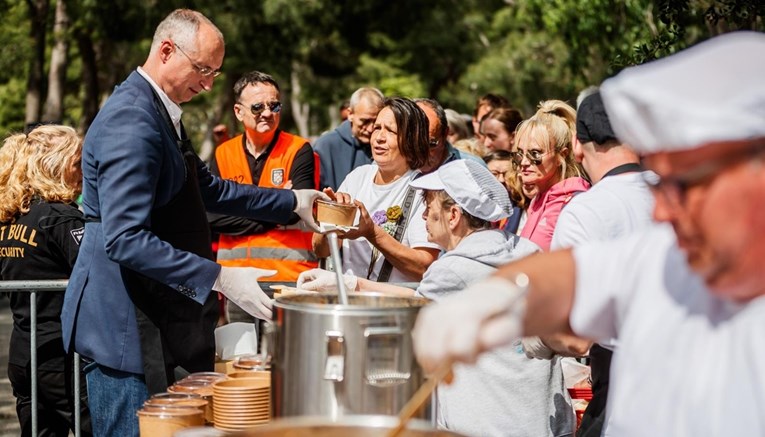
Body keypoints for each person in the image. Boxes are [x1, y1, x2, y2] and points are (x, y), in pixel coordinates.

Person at [413, 32, 765, 436]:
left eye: (683, 185)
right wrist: (493, 300)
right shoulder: (668, 258)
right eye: (657, 183)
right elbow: (567, 274)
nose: (662, 210)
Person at [59, 9, 326, 435]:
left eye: (215, 73)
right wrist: (220, 277)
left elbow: (211, 190)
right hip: (126, 328)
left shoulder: (159, 110)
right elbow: (125, 239)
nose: (207, 84)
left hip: (157, 317)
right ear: (166, 51)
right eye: (203, 70)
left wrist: (293, 203)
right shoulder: (133, 120)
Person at [299, 159, 574, 436]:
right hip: (541, 420)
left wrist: (345, 287)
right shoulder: (523, 251)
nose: (422, 216)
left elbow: (414, 308)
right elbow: (422, 296)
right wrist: (352, 284)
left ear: (453, 215)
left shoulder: (453, 268)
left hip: (491, 424)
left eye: (428, 207)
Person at [524, 90, 655, 436]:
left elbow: (574, 334)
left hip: (623, 387)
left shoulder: (583, 211)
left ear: (579, 146)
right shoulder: (681, 192)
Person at [0, 125, 92, 437]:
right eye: (77, 162)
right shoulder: (61, 218)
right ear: (55, 165)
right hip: (62, 357)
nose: (82, 171)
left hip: (24, 355)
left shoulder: (11, 218)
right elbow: (98, 277)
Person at [313, 97, 440, 282]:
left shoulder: (424, 189)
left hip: (396, 307)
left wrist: (371, 231)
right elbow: (320, 250)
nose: (379, 138)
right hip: (351, 303)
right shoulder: (358, 177)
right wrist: (330, 218)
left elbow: (424, 268)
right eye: (377, 128)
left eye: (390, 131)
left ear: (412, 139)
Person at [209, 71, 319, 283]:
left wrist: (235, 205)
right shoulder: (223, 153)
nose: (268, 113)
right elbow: (211, 218)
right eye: (258, 107)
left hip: (290, 276)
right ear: (238, 112)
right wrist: (278, 202)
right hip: (234, 279)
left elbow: (297, 212)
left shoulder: (299, 149)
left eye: (274, 106)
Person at [515, 100, 590, 250]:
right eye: (519, 154)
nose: (523, 162)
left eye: (534, 153)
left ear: (560, 156)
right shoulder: (537, 199)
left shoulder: (575, 203)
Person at [313, 87, 384, 190]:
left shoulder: (385, 146)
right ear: (350, 114)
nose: (370, 129)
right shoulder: (325, 146)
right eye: (365, 121)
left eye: (375, 122)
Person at [415, 98, 485, 174]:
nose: (422, 152)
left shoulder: (473, 168)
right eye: (413, 144)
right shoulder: (401, 167)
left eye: (431, 144)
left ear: (445, 134)